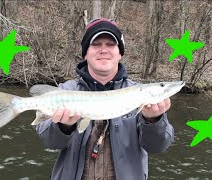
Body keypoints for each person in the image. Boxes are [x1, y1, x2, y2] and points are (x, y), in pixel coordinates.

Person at [35, 18, 174, 180]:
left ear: (120, 53)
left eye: (110, 44)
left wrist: (154, 121)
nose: (103, 50)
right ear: (85, 53)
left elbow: (157, 146)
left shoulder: (139, 94)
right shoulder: (66, 90)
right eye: (96, 44)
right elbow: (50, 142)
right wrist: (63, 127)